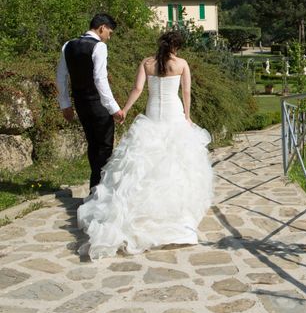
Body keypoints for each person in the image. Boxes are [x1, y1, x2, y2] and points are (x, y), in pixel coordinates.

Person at [76, 31, 214, 260]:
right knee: (177, 162)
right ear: (176, 47)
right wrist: (188, 117)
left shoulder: (147, 63)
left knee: (142, 162)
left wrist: (125, 110)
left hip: (152, 116)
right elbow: (186, 91)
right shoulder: (181, 64)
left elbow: (138, 90)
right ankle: (173, 213)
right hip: (173, 114)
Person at [56, 14, 125, 191]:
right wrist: (114, 108)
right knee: (104, 145)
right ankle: (99, 189)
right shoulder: (99, 47)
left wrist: (65, 104)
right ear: (102, 27)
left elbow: (61, 77)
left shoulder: (68, 45)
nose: (109, 36)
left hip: (80, 103)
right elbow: (100, 79)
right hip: (98, 104)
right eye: (109, 32)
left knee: (93, 144)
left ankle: (95, 187)